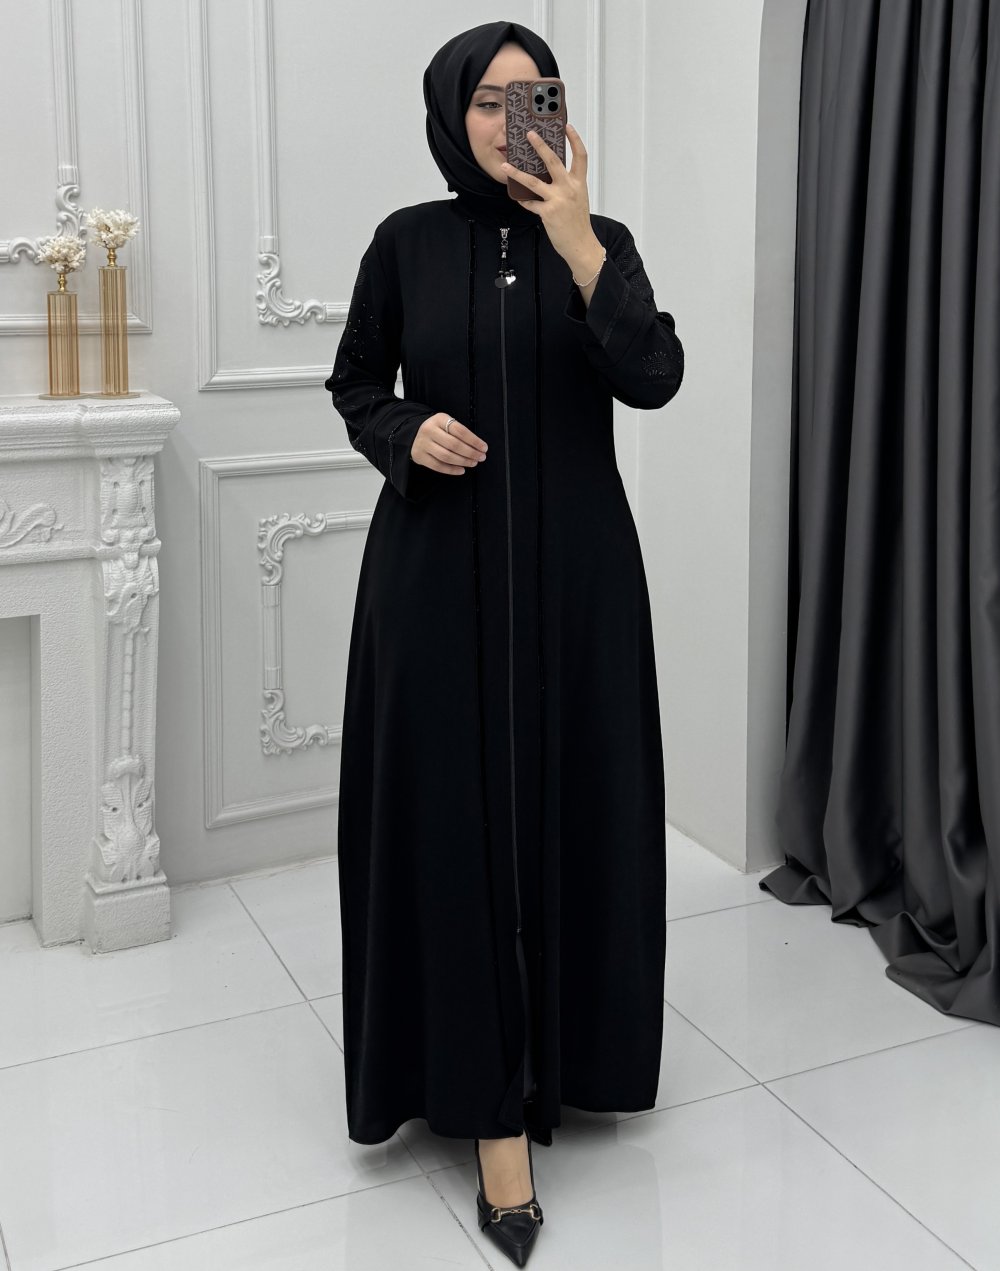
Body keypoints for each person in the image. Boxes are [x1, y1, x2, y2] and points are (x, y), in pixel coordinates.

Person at [324, 19, 683, 1266]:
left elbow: (652, 375)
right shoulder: (405, 242)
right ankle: (487, 1112)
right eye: (487, 99)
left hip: (579, 580)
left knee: (573, 802)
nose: (510, 120)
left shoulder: (601, 240)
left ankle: (569, 1056)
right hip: (435, 576)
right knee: (455, 823)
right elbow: (355, 384)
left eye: (535, 97)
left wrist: (579, 241)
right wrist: (405, 431)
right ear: (450, 114)